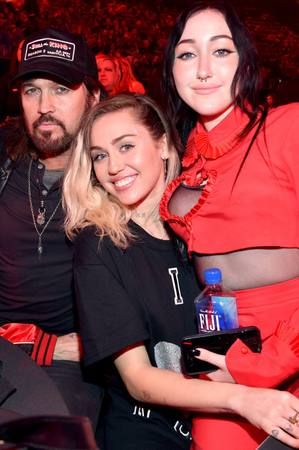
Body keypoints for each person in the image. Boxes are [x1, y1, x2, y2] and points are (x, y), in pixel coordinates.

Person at [63, 93, 299, 450]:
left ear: (161, 144)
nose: (113, 166)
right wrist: (245, 400)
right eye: (100, 155)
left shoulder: (200, 225)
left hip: (234, 406)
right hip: (151, 425)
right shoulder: (99, 244)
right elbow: (138, 379)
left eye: (126, 146)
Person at [159, 1, 299, 448]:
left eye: (221, 51)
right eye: (187, 54)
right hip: (225, 358)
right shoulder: (182, 164)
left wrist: (271, 359)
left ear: (246, 63)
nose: (203, 69)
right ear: (171, 69)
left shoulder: (286, 128)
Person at [0, 28, 107, 428]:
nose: (44, 106)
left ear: (92, 97)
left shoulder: (112, 173)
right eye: (31, 90)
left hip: (66, 353)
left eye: (61, 89)